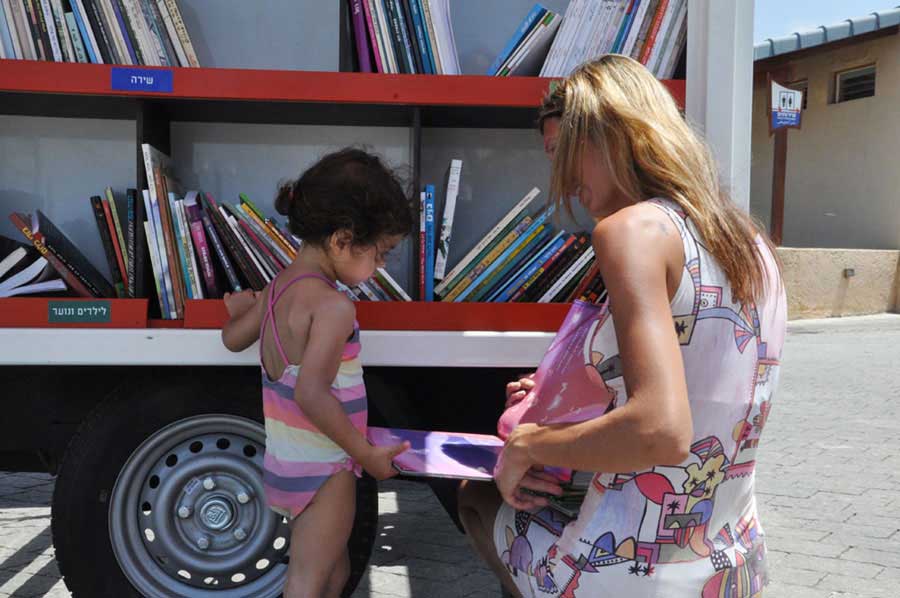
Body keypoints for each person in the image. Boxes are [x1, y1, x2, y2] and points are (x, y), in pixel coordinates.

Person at [458, 54, 786, 597]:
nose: (561, 181)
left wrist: (529, 444)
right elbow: (705, 383)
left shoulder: (629, 230)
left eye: (560, 154)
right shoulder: (750, 243)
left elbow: (659, 430)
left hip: (622, 571)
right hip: (732, 562)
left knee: (477, 494)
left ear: (609, 138)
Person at [221, 148, 415, 598]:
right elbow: (311, 393)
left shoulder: (277, 288)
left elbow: (233, 339)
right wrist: (364, 455)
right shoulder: (333, 306)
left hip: (288, 462)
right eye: (381, 253)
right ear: (343, 240)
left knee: (333, 572)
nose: (381, 267)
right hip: (327, 468)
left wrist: (239, 310)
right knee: (309, 580)